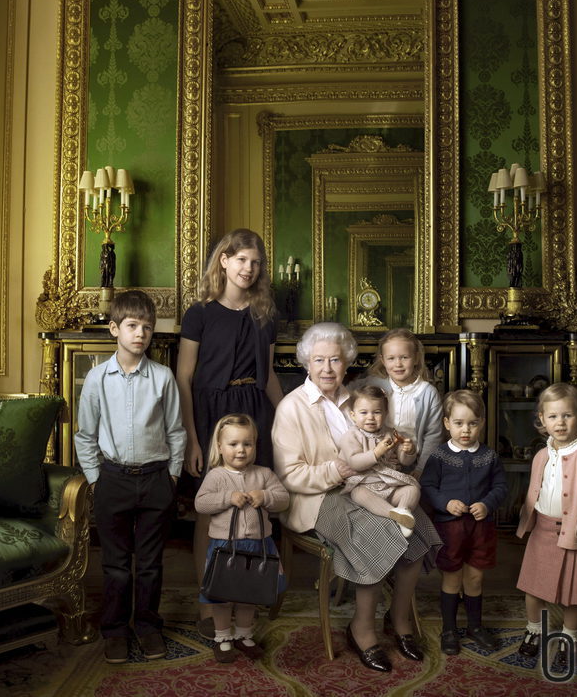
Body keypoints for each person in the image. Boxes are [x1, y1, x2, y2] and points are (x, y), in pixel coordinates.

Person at [273, 322, 441, 672]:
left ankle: (399, 619)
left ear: (347, 362)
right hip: (319, 497)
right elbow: (291, 476)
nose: (327, 368)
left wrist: (400, 454)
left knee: (418, 527)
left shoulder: (359, 398)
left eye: (335, 360)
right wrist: (339, 471)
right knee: (378, 531)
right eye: (319, 360)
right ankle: (361, 627)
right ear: (306, 363)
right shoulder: (292, 408)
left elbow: (383, 449)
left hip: (369, 485)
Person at [176, 228, 285, 639]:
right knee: (212, 509)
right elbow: (184, 377)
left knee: (256, 504)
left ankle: (249, 595)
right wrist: (191, 436)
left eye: (255, 262)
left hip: (254, 410)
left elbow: (270, 373)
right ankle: (210, 602)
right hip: (211, 415)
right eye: (241, 259)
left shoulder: (264, 314)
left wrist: (285, 416)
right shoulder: (199, 313)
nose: (248, 269)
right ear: (223, 260)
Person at [74, 290, 186, 664]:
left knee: (151, 564)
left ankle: (148, 626)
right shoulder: (96, 379)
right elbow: (85, 435)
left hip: (156, 479)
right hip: (113, 480)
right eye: (133, 326)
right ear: (114, 329)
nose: (141, 334)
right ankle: (115, 630)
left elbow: (175, 431)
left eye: (147, 328)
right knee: (116, 564)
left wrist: (171, 477)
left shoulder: (163, 377)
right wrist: (95, 479)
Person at [515, 383, 577, 673]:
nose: (560, 423)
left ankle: (570, 636)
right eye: (553, 417)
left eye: (567, 416)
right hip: (542, 531)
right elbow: (535, 490)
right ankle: (534, 628)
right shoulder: (541, 455)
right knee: (533, 588)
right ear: (542, 420)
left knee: (575, 592)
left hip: (576, 534)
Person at [194, 414, 289, 663]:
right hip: (225, 546)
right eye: (233, 444)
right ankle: (223, 636)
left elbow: (283, 498)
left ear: (255, 445)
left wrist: (265, 496)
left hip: (259, 545)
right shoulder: (216, 476)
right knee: (222, 595)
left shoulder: (264, 474)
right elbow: (201, 503)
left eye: (247, 443)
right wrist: (227, 498)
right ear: (220, 447)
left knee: (251, 594)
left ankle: (244, 634)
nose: (241, 450)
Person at [420, 389, 507, 656]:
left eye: (472, 423)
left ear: (481, 422)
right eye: (458, 423)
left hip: (481, 529)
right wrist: (445, 503)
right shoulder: (439, 456)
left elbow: (501, 486)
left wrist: (487, 503)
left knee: (475, 577)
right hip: (451, 529)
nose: (465, 430)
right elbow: (427, 486)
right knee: (452, 578)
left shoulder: (489, 456)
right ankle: (449, 629)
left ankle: (475, 627)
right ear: (447, 423)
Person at [351, 328, 445, 473]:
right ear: (383, 360)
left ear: (416, 358)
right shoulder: (373, 384)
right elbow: (345, 394)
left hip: (412, 461)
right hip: (376, 459)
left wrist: (420, 470)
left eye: (404, 357)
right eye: (391, 358)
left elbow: (433, 436)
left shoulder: (428, 393)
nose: (398, 364)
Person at [338, 385, 421, 537]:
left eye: (376, 412)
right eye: (364, 412)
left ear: (385, 413)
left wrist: (408, 451)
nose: (370, 417)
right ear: (353, 415)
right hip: (364, 483)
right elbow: (354, 463)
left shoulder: (390, 433)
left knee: (412, 489)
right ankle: (394, 514)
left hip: (389, 484)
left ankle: (403, 510)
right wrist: (376, 453)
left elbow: (403, 462)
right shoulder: (351, 436)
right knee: (358, 494)